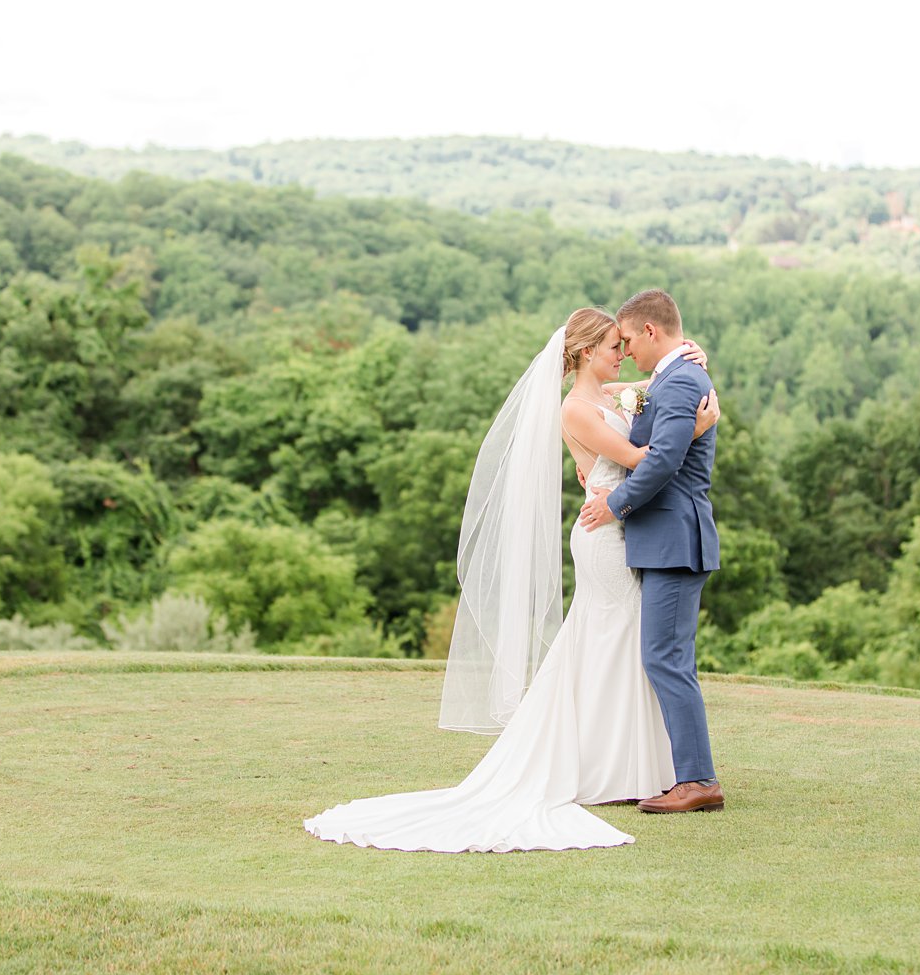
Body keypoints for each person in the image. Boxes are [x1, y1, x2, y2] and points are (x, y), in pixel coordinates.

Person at [304, 307, 718, 851]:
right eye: (614, 347)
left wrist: (685, 359)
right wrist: (697, 427)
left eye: (625, 345)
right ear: (587, 352)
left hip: (624, 527)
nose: (622, 354)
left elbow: (654, 384)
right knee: (611, 641)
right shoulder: (576, 408)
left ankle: (629, 764)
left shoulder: (613, 394)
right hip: (605, 530)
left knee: (621, 646)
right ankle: (617, 764)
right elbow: (645, 459)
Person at [579, 289, 723, 814]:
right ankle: (686, 774)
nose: (627, 352)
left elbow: (662, 461)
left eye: (629, 341)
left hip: (674, 540)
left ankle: (697, 781)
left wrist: (614, 504)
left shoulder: (682, 378)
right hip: (662, 541)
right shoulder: (671, 375)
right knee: (665, 656)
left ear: (651, 333)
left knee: (666, 657)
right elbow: (619, 394)